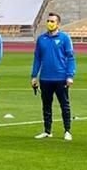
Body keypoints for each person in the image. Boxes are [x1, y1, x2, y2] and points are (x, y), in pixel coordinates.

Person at [30, 12, 76, 141]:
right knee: (46, 106)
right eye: (48, 21)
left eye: (52, 21)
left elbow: (70, 58)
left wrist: (70, 75)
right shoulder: (41, 39)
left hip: (61, 78)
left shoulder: (65, 38)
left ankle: (67, 130)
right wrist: (34, 75)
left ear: (58, 24)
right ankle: (47, 131)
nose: (50, 23)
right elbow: (37, 58)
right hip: (45, 78)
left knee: (64, 105)